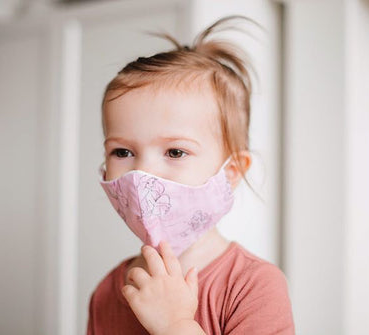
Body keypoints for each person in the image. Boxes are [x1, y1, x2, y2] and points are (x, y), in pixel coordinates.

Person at [87, 14, 295, 335]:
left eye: (175, 152)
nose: (143, 173)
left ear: (233, 172)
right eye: (123, 152)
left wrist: (175, 325)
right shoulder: (107, 292)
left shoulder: (253, 286)